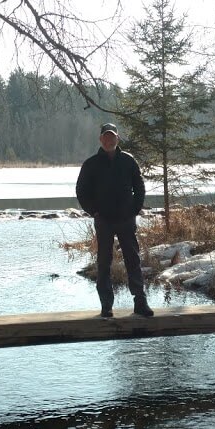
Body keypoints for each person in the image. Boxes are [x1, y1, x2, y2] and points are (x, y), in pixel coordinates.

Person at [75, 123, 155, 318]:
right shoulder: (91, 164)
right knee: (104, 263)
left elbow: (140, 187)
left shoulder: (128, 161)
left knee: (133, 260)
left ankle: (140, 302)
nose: (109, 140)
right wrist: (94, 211)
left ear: (117, 139)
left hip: (126, 219)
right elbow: (81, 191)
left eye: (112, 137)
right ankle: (106, 305)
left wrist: (134, 209)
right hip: (104, 221)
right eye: (106, 137)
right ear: (100, 139)